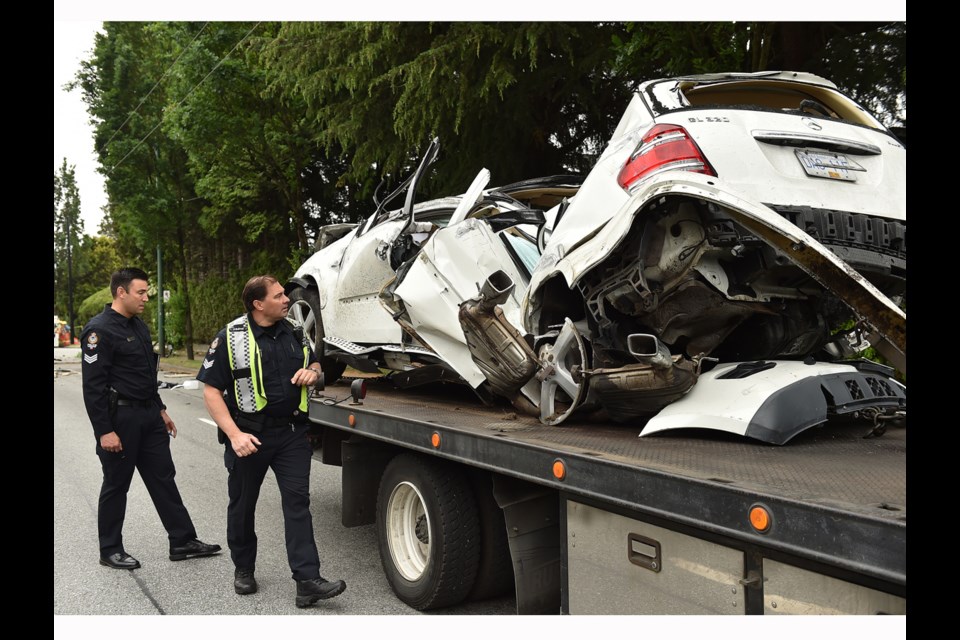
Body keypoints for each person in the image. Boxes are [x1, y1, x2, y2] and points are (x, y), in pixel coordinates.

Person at [196, 275, 346, 608]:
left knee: (298, 506)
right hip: (250, 436)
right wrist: (234, 435)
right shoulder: (231, 337)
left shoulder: (295, 330)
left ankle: (307, 581)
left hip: (292, 435)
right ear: (257, 304)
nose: (286, 300)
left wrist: (314, 372)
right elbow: (210, 391)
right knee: (243, 505)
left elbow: (315, 362)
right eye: (278, 296)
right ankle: (244, 568)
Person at [81, 267, 221, 570]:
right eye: (140, 292)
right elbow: (93, 388)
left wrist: (159, 409)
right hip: (121, 419)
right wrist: (105, 431)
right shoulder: (99, 331)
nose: (146, 298)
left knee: (163, 478)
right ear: (121, 292)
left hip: (149, 414)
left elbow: (146, 375)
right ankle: (110, 549)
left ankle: (182, 540)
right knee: (117, 484)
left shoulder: (139, 327)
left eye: (147, 292)